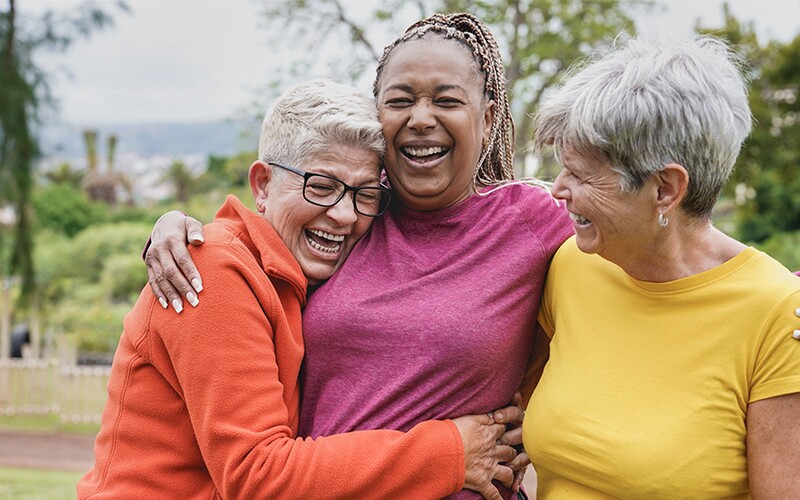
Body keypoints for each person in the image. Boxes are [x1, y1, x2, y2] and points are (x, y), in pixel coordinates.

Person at [144, 12, 572, 499]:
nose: (422, 118)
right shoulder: (355, 210)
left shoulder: (534, 221)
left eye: (447, 100)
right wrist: (176, 227)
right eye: (401, 100)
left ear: (488, 117)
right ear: (379, 115)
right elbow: (260, 235)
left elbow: (630, 257)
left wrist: (538, 415)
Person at [78, 78, 524, 500]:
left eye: (364, 194)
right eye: (322, 186)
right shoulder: (213, 271)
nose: (345, 214)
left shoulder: (305, 272)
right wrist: (448, 452)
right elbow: (258, 474)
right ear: (263, 184)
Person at [522, 36, 800, 498]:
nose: (558, 188)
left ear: (666, 189)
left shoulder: (778, 318)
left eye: (582, 174)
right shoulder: (571, 264)